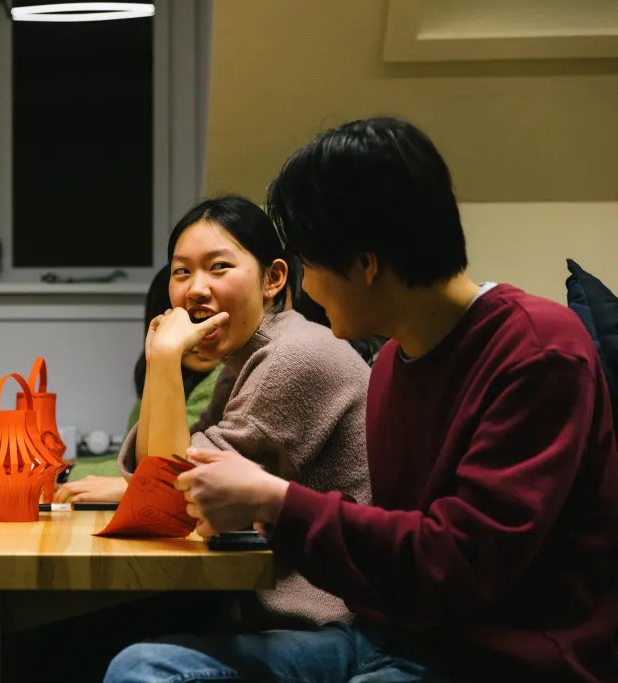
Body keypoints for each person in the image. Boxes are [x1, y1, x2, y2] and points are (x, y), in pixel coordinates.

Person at [107, 118, 618, 682]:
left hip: (493, 659)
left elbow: (458, 566)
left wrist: (276, 502)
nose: (308, 289)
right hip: (384, 636)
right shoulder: (393, 364)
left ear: (365, 263)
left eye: (311, 265)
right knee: (145, 667)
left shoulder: (538, 351)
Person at [118, 194, 372, 628]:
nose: (195, 289)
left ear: (273, 279)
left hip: (329, 622)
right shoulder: (244, 360)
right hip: (261, 604)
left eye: (219, 267)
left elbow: (171, 495)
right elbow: (156, 476)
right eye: (182, 272)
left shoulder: (295, 356)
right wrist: (161, 361)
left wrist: (165, 358)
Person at [54, 265, 223, 504]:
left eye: (206, 322)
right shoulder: (167, 373)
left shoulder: (225, 376)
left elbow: (171, 474)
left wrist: (69, 474)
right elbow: (134, 461)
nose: (198, 337)